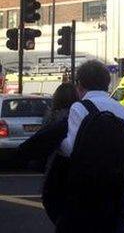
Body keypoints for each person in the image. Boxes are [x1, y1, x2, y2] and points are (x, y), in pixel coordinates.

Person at [57, 60, 124, 233]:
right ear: (107, 83)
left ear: (79, 85)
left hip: (87, 193)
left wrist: (56, 139)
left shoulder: (79, 108)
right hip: (120, 193)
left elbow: (71, 150)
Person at [18, 83, 79, 223]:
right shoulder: (79, 115)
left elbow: (41, 140)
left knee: (55, 205)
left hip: (55, 167)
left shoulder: (53, 116)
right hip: (76, 169)